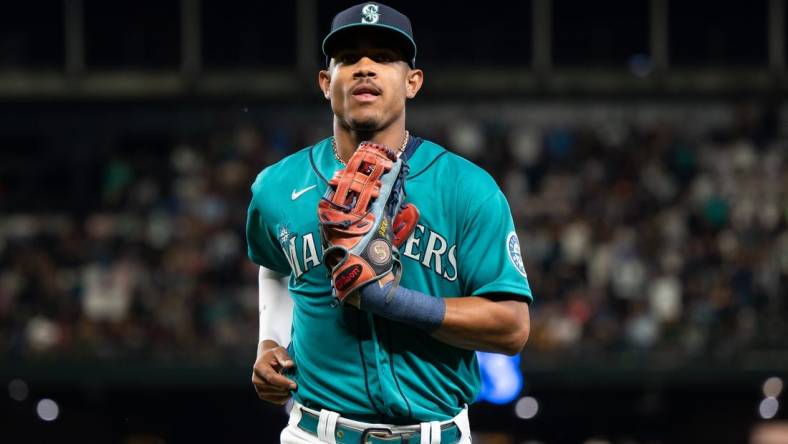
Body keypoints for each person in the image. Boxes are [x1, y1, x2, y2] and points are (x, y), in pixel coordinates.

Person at [246, 3, 533, 443]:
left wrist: (393, 301)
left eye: (383, 57)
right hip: (317, 433)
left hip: (436, 433)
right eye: (348, 58)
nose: (364, 67)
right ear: (326, 82)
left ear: (412, 82)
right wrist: (269, 341)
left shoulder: (467, 188)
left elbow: (511, 328)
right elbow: (275, 266)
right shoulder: (276, 187)